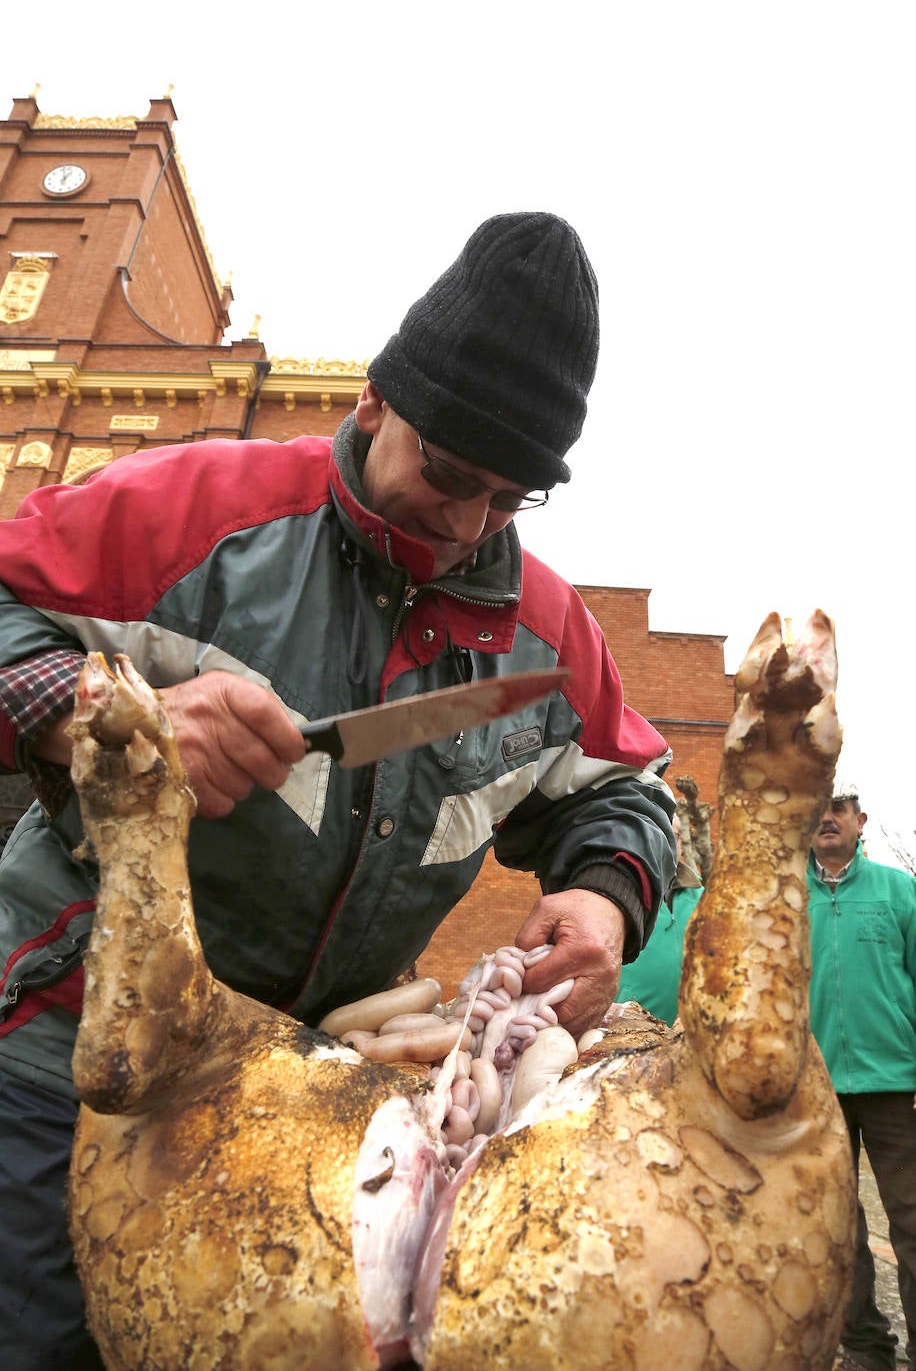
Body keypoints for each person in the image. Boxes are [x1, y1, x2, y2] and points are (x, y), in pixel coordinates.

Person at [0, 213, 677, 1367]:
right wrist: (98, 714)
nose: (466, 526)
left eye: (510, 500)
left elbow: (628, 793)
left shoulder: (549, 638)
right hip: (71, 1052)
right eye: (450, 475)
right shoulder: (195, 512)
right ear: (372, 404)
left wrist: (608, 896)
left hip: (303, 1101)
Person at [807, 782, 916, 1371]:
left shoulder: (900, 891)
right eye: (819, 809)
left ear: (859, 819)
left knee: (913, 1223)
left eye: (839, 808)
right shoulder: (784, 902)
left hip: (895, 1087)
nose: (828, 817)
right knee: (840, 1232)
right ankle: (868, 1349)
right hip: (817, 1096)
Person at [616, 812, 702, 1023]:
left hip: (681, 1032)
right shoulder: (621, 887)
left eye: (674, 837)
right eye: (662, 837)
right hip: (623, 1026)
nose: (670, 845)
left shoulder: (702, 896)